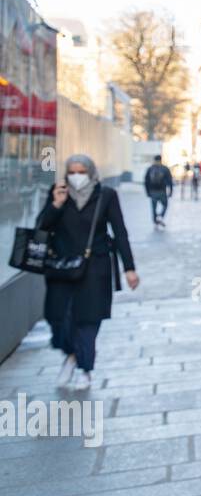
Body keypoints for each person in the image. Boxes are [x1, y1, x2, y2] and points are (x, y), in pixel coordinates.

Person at [38, 155, 139, 390]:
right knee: (58, 318)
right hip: (61, 268)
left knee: (87, 320)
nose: (76, 176)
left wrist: (130, 268)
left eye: (81, 171)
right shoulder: (58, 193)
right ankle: (71, 354)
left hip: (95, 267)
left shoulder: (106, 195)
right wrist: (56, 205)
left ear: (91, 172)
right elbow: (42, 226)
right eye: (72, 171)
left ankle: (85, 368)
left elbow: (120, 232)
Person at [143, 154, 173, 227]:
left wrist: (147, 192)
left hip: (153, 191)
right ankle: (160, 216)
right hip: (162, 191)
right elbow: (170, 181)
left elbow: (146, 181)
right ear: (160, 160)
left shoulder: (150, 169)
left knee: (153, 207)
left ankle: (155, 220)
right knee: (165, 205)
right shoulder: (165, 169)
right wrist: (171, 191)